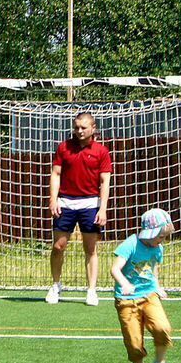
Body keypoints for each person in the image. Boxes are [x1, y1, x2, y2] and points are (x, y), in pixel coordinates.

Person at [47, 111, 112, 306]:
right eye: (76, 127)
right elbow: (55, 174)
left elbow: (105, 181)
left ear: (93, 129)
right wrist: (53, 199)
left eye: (83, 127)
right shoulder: (64, 148)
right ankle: (56, 285)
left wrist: (102, 209)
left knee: (90, 248)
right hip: (65, 203)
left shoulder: (101, 151)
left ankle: (91, 290)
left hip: (91, 204)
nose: (79, 131)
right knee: (58, 246)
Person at [110, 208, 176, 363]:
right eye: (160, 237)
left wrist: (157, 286)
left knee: (162, 327)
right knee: (134, 341)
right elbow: (115, 269)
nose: (162, 241)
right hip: (126, 301)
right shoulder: (129, 245)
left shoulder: (158, 248)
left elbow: (153, 268)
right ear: (149, 232)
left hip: (149, 295)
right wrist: (124, 284)